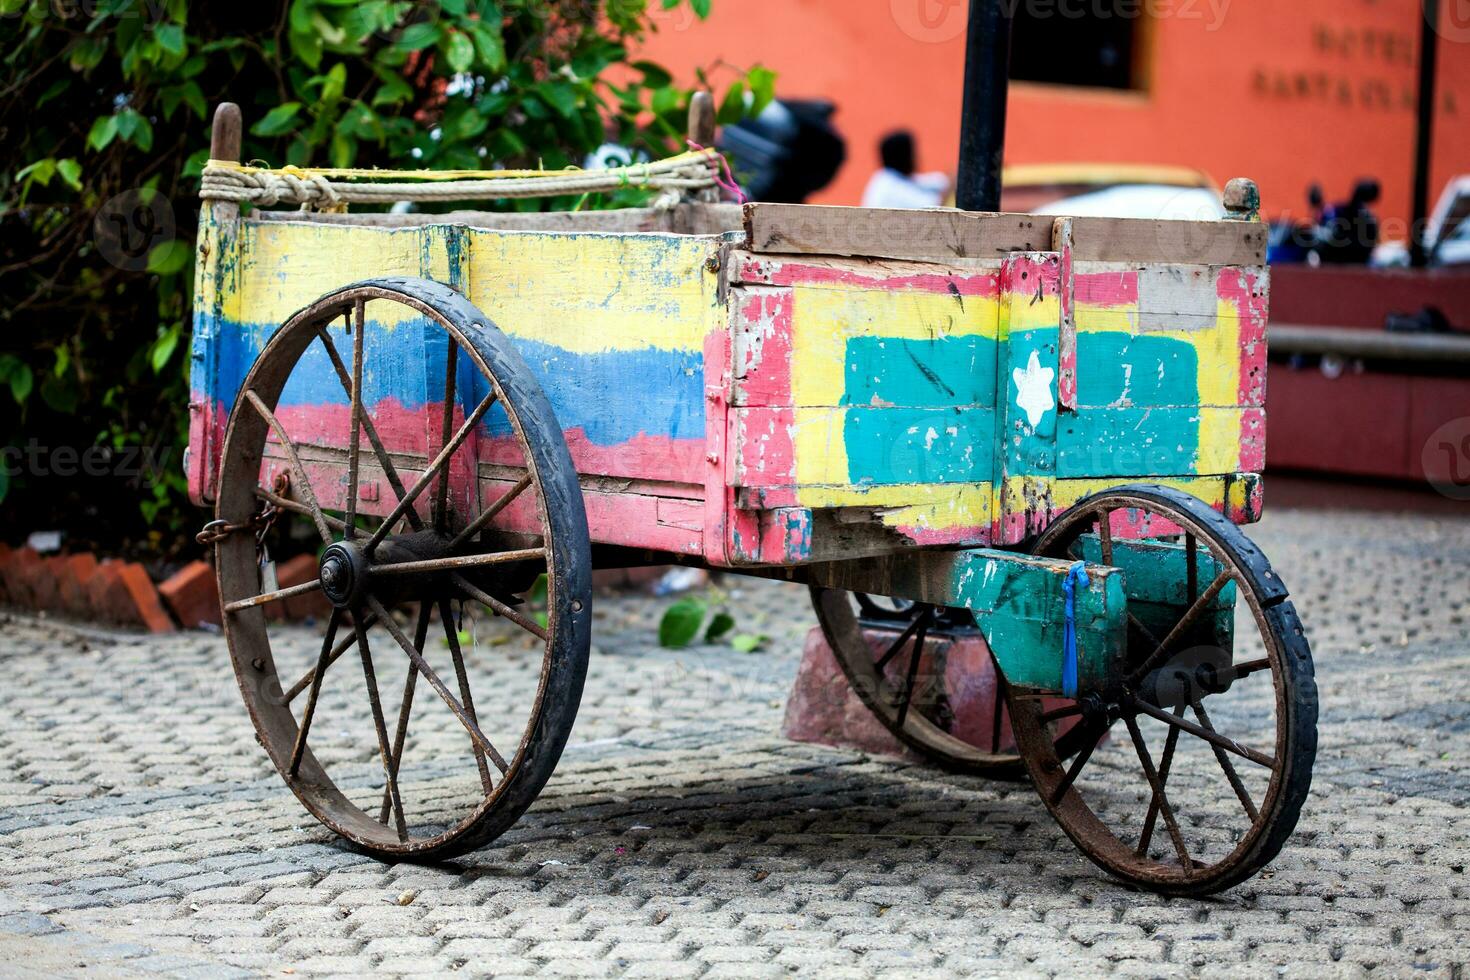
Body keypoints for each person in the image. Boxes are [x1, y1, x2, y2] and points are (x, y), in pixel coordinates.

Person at [861, 131, 950, 209]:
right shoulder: (889, 187)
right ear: (903, 158)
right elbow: (934, 206)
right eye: (912, 154)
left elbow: (936, 181)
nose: (916, 158)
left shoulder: (889, 176)